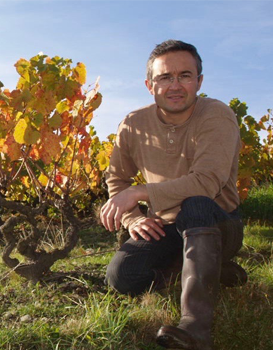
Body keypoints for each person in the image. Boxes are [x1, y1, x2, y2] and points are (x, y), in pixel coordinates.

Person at [100, 39, 247, 350]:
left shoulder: (216, 116)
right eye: (165, 77)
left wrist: (140, 192)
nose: (175, 85)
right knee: (122, 278)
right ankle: (212, 270)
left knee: (195, 204)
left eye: (185, 75)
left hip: (218, 222)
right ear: (150, 85)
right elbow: (116, 178)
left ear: (199, 81)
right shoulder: (133, 124)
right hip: (166, 224)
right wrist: (132, 217)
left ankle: (195, 327)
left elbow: (206, 182)